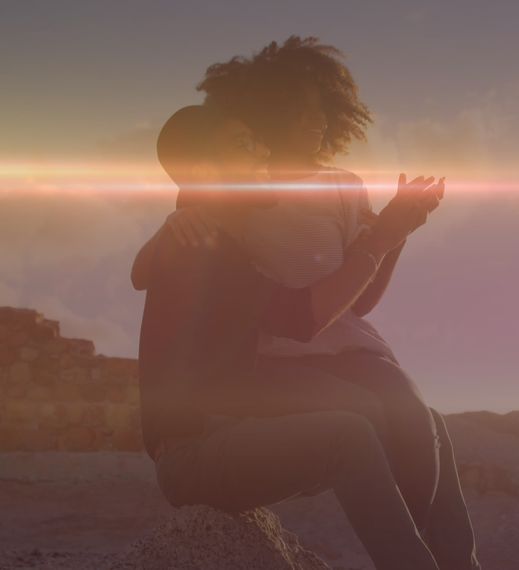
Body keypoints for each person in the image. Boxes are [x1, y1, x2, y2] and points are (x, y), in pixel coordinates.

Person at [133, 37, 481, 569]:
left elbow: (326, 307)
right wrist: (382, 238)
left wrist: (390, 233)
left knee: (420, 421)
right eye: (246, 144)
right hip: (199, 446)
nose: (263, 153)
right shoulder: (200, 241)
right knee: (357, 428)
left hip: (234, 423)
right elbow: (299, 319)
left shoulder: (219, 237)